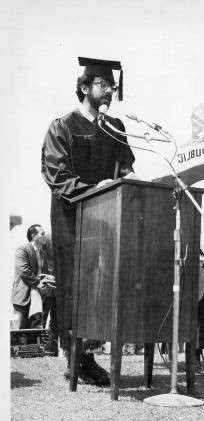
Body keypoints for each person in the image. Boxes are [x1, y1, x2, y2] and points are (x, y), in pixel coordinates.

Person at [41, 57, 136, 385]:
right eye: (103, 85)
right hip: (72, 218)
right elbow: (57, 175)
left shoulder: (116, 128)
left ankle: (89, 356)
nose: (110, 90)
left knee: (102, 287)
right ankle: (75, 356)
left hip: (109, 220)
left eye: (112, 86)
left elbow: (126, 169)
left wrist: (135, 182)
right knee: (74, 287)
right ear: (84, 87)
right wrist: (95, 190)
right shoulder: (63, 126)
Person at [11, 224, 54, 330]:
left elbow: (43, 274)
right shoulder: (22, 249)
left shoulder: (43, 254)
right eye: (42, 234)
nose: (45, 236)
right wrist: (39, 283)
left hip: (37, 299)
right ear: (34, 236)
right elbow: (23, 270)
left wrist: (49, 280)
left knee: (34, 334)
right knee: (19, 332)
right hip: (23, 298)